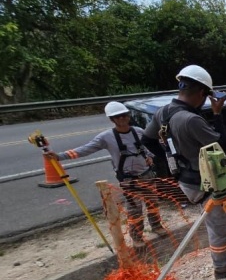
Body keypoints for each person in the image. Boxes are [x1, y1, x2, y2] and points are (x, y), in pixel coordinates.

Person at [141, 65, 226, 278]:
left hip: (187, 177)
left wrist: (170, 158)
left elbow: (147, 139)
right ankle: (223, 267)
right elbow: (222, 146)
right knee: (218, 223)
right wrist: (217, 113)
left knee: (220, 218)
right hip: (205, 181)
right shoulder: (191, 120)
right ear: (203, 93)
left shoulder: (163, 112)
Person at [48, 102, 167, 248]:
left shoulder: (138, 132)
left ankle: (156, 226)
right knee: (135, 210)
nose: (122, 118)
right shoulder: (106, 137)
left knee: (153, 203)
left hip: (146, 175)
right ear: (112, 119)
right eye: (118, 117)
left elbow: (149, 147)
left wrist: (150, 156)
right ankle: (137, 237)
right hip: (129, 180)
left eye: (124, 115)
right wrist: (60, 156)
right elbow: (85, 149)